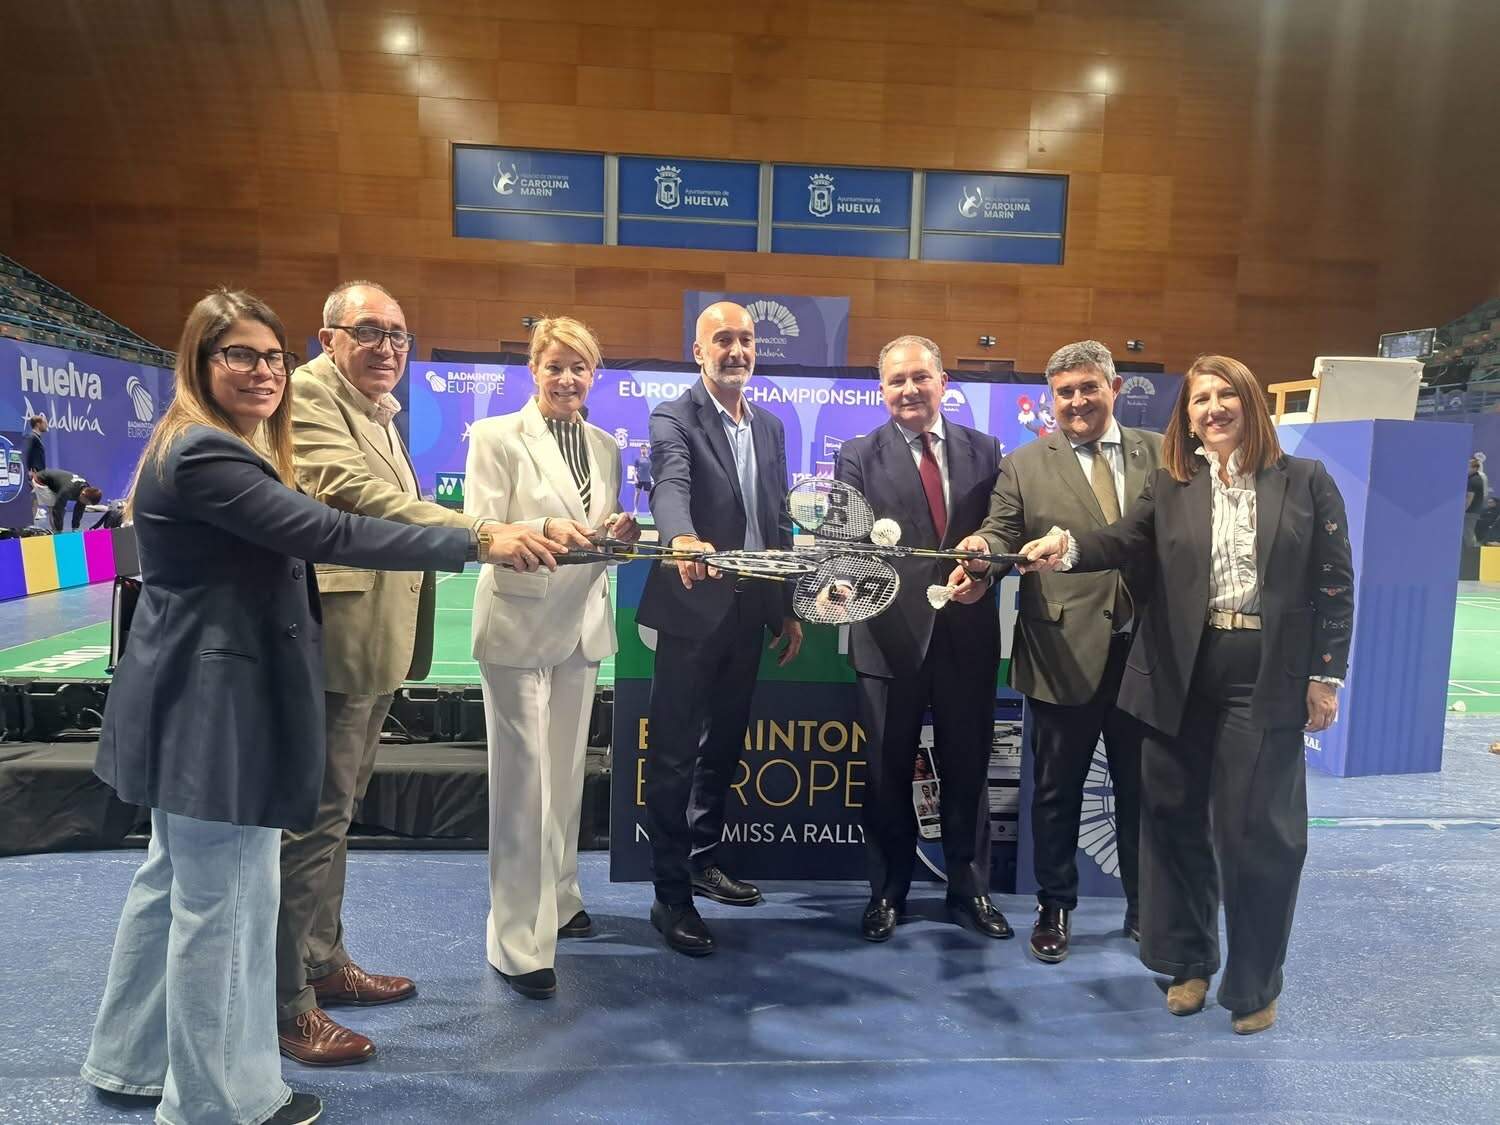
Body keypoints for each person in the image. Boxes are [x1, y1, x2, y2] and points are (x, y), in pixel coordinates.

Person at [81, 288, 508, 1125]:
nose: (263, 371)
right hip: (215, 710)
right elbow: (332, 532)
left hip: (187, 698)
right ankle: (220, 1101)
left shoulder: (203, 441)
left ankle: (131, 1059)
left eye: (272, 356)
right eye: (240, 354)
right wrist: (480, 538)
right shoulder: (206, 453)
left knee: (170, 886)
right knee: (223, 905)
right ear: (201, 361)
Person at [277, 280, 575, 1065]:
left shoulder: (374, 407)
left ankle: (322, 959)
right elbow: (355, 496)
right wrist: (481, 533)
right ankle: (285, 1000)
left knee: (337, 812)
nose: (387, 348)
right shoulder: (310, 395)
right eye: (369, 332)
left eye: (399, 335)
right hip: (338, 638)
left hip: (373, 637)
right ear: (328, 337)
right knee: (315, 820)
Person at [1019, 354, 1354, 1035]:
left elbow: (1334, 584)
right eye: (1200, 399)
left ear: (1250, 403)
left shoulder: (1307, 481)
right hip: (1177, 671)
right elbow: (1120, 540)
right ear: (1188, 416)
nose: (1213, 408)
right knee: (1172, 823)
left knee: (1258, 834)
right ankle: (1187, 962)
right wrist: (1066, 547)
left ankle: (1255, 983)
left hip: (1263, 673)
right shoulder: (1173, 484)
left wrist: (1325, 676)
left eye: (1225, 394)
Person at [949, 340, 1162, 962]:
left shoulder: (1162, 454)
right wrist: (981, 554)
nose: (1077, 401)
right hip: (1060, 650)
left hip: (1148, 654)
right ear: (1050, 399)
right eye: (1064, 392)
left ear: (1114, 388)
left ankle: (1147, 909)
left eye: (1088, 387)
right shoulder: (1024, 464)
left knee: (1144, 791)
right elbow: (1000, 532)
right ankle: (1055, 906)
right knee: (1056, 792)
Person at [464, 315, 638, 999]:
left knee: (564, 778)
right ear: (533, 370)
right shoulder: (495, 436)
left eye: (579, 367)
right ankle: (516, 941)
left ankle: (561, 898)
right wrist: (541, 527)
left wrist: (618, 535)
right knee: (524, 786)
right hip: (518, 621)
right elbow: (481, 526)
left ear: (594, 374)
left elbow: (597, 536)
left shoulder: (605, 445)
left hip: (582, 625)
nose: (567, 378)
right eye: (555, 366)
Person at [638, 300, 803, 956]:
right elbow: (669, 485)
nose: (736, 350)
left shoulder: (770, 426)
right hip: (692, 606)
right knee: (674, 753)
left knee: (724, 747)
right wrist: (681, 538)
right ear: (698, 351)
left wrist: (786, 605)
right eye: (722, 340)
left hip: (750, 610)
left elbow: (777, 520)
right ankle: (670, 894)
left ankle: (703, 859)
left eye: (746, 339)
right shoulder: (673, 416)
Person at [834, 335, 1010, 943]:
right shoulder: (857, 455)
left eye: (920, 377)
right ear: (882, 389)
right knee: (886, 773)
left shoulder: (987, 449)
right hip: (887, 639)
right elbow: (845, 541)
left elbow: (1002, 535)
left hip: (968, 635)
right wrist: (846, 578)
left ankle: (971, 888)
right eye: (896, 381)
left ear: (943, 382)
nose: (909, 390)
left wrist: (985, 572)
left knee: (968, 767)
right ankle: (887, 892)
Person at [31, 466, 103, 531]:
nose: (85, 504)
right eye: (86, 502)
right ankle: (56, 533)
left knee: (62, 509)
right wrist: (59, 530)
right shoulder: (67, 490)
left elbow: (79, 510)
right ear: (83, 494)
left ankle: (58, 530)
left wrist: (75, 528)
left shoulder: (86, 489)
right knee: (53, 508)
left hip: (56, 484)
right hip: (41, 479)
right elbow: (57, 510)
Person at [1466, 455, 1485, 548]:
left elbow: (1469, 498)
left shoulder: (1474, 480)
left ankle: (1470, 551)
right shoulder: (1474, 478)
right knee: (1469, 532)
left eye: (1468, 467)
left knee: (1467, 533)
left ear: (1475, 468)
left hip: (1470, 512)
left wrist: (1462, 511)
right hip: (1472, 511)